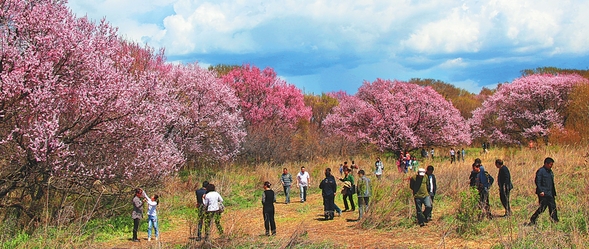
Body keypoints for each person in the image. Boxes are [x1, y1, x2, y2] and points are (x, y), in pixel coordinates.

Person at [528, 157, 558, 225]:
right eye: (550, 164)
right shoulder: (540, 171)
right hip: (543, 193)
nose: (551, 166)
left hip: (550, 193)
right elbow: (537, 182)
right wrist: (541, 191)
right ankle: (533, 218)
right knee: (542, 208)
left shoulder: (550, 171)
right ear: (546, 164)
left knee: (553, 207)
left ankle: (555, 220)